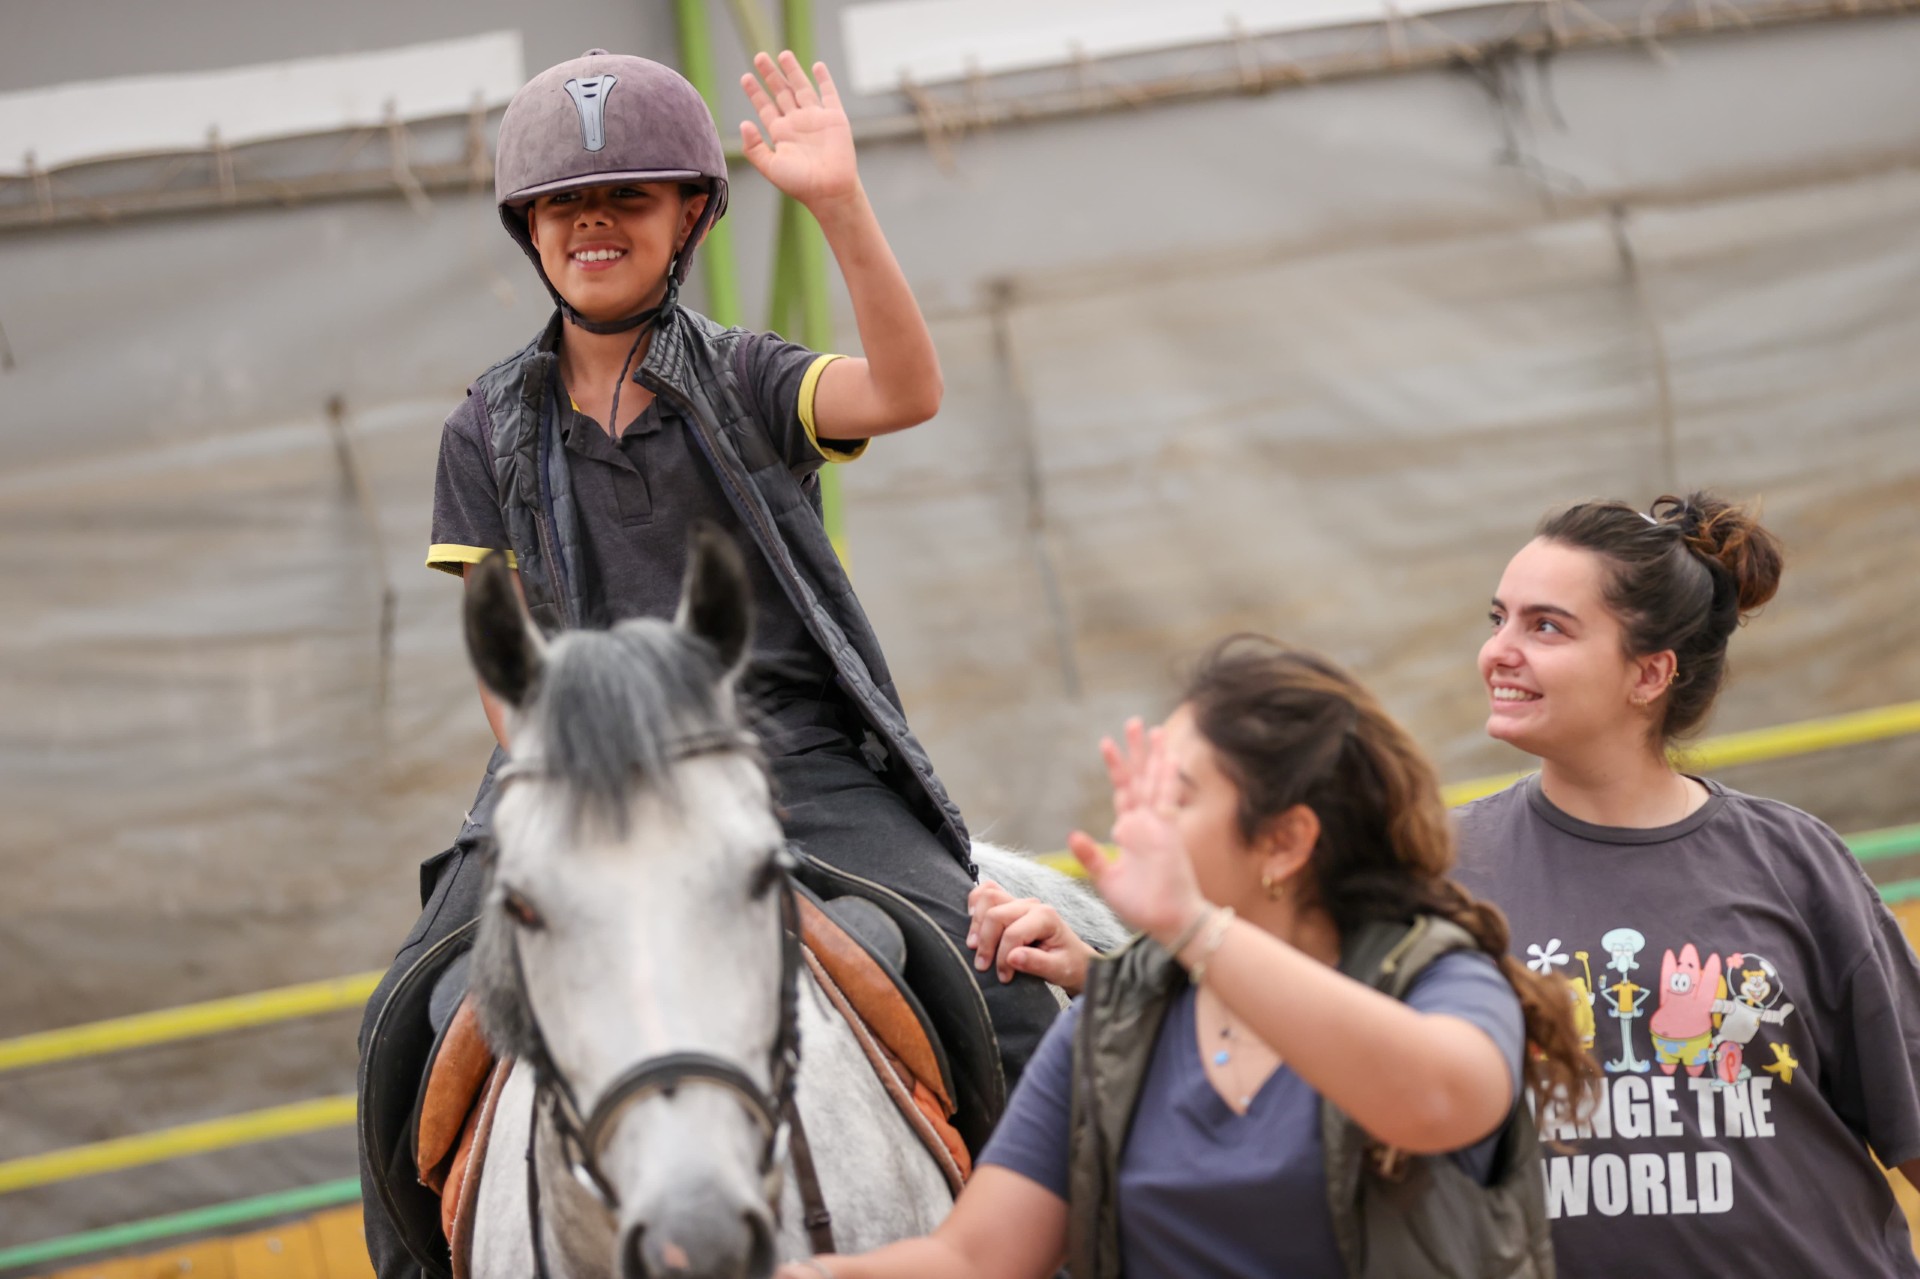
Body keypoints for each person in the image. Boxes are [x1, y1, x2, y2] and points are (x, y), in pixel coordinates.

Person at [357, 47, 1059, 1276]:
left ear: (689, 216)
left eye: (627, 197)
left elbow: (906, 388)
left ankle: (1056, 1238)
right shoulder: (481, 425)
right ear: (529, 228)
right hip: (569, 773)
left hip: (791, 766)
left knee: (980, 973)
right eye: (566, 205)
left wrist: (837, 202)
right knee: (400, 1021)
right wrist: (563, 792)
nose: (593, 223)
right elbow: (502, 652)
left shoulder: (750, 376)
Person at [780, 640, 1593, 1278]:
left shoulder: (1435, 977)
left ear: (1285, 841)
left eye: (1175, 799)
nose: (1137, 827)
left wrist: (1195, 929)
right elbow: (972, 1258)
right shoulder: (1123, 1018)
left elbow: (1442, 1099)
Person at [1448, 492, 1920, 1275]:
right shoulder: (1443, 874)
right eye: (1497, 618)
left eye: (1546, 626)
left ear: (1650, 673)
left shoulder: (1797, 863)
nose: (1499, 650)